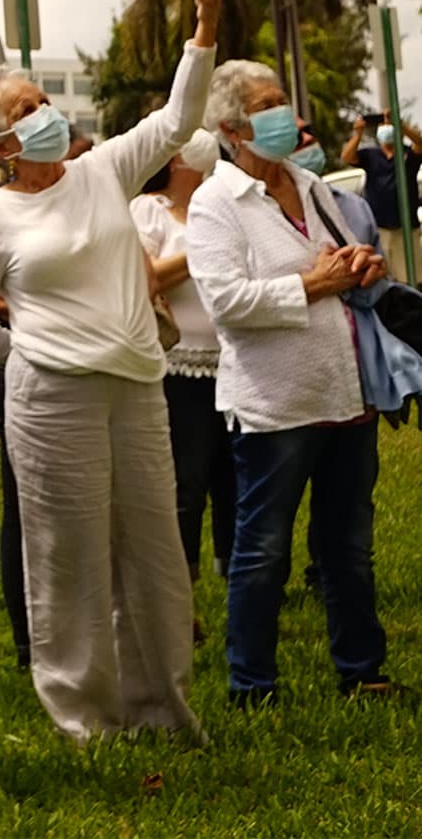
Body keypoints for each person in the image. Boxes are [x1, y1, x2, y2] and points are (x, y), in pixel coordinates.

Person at [0, 0, 224, 741]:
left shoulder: (103, 169)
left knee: (156, 553)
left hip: (137, 387)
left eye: (42, 101)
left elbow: (176, 120)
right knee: (69, 557)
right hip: (50, 399)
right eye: (24, 109)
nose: (43, 113)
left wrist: (203, 29)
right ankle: (85, 716)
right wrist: (32, 350)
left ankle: (161, 707)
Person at [188, 59, 399, 704]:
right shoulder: (215, 201)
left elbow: (341, 260)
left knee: (348, 547)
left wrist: (360, 264)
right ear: (233, 126)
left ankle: (362, 671)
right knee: (262, 551)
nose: (290, 117)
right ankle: (252, 683)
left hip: (344, 390)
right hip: (276, 404)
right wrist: (316, 283)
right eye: (271, 104)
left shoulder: (311, 185)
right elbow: (227, 302)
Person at [132, 132, 234, 584]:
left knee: (233, 479)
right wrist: (203, 251)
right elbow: (142, 275)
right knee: (187, 480)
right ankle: (181, 577)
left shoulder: (226, 207)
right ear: (173, 160)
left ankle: (236, 571)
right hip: (180, 364)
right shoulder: (149, 210)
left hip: (233, 360)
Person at [344, 115, 421, 282]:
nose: (386, 126)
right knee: (381, 279)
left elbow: (420, 144)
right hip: (379, 229)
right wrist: (358, 134)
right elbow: (347, 157)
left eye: (389, 123)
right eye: (383, 123)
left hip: (406, 229)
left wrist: (403, 127)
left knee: (412, 278)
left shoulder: (408, 153)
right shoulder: (371, 155)